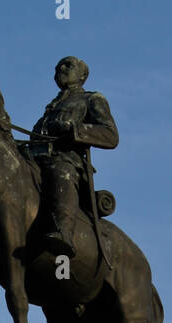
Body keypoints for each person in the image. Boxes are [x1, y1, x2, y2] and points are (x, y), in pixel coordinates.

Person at [30, 56, 118, 258]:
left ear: (82, 75)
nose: (60, 68)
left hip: (66, 161)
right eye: (57, 66)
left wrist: (75, 130)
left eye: (67, 65)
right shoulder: (51, 107)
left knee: (60, 171)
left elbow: (111, 135)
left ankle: (64, 232)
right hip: (35, 158)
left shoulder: (91, 99)